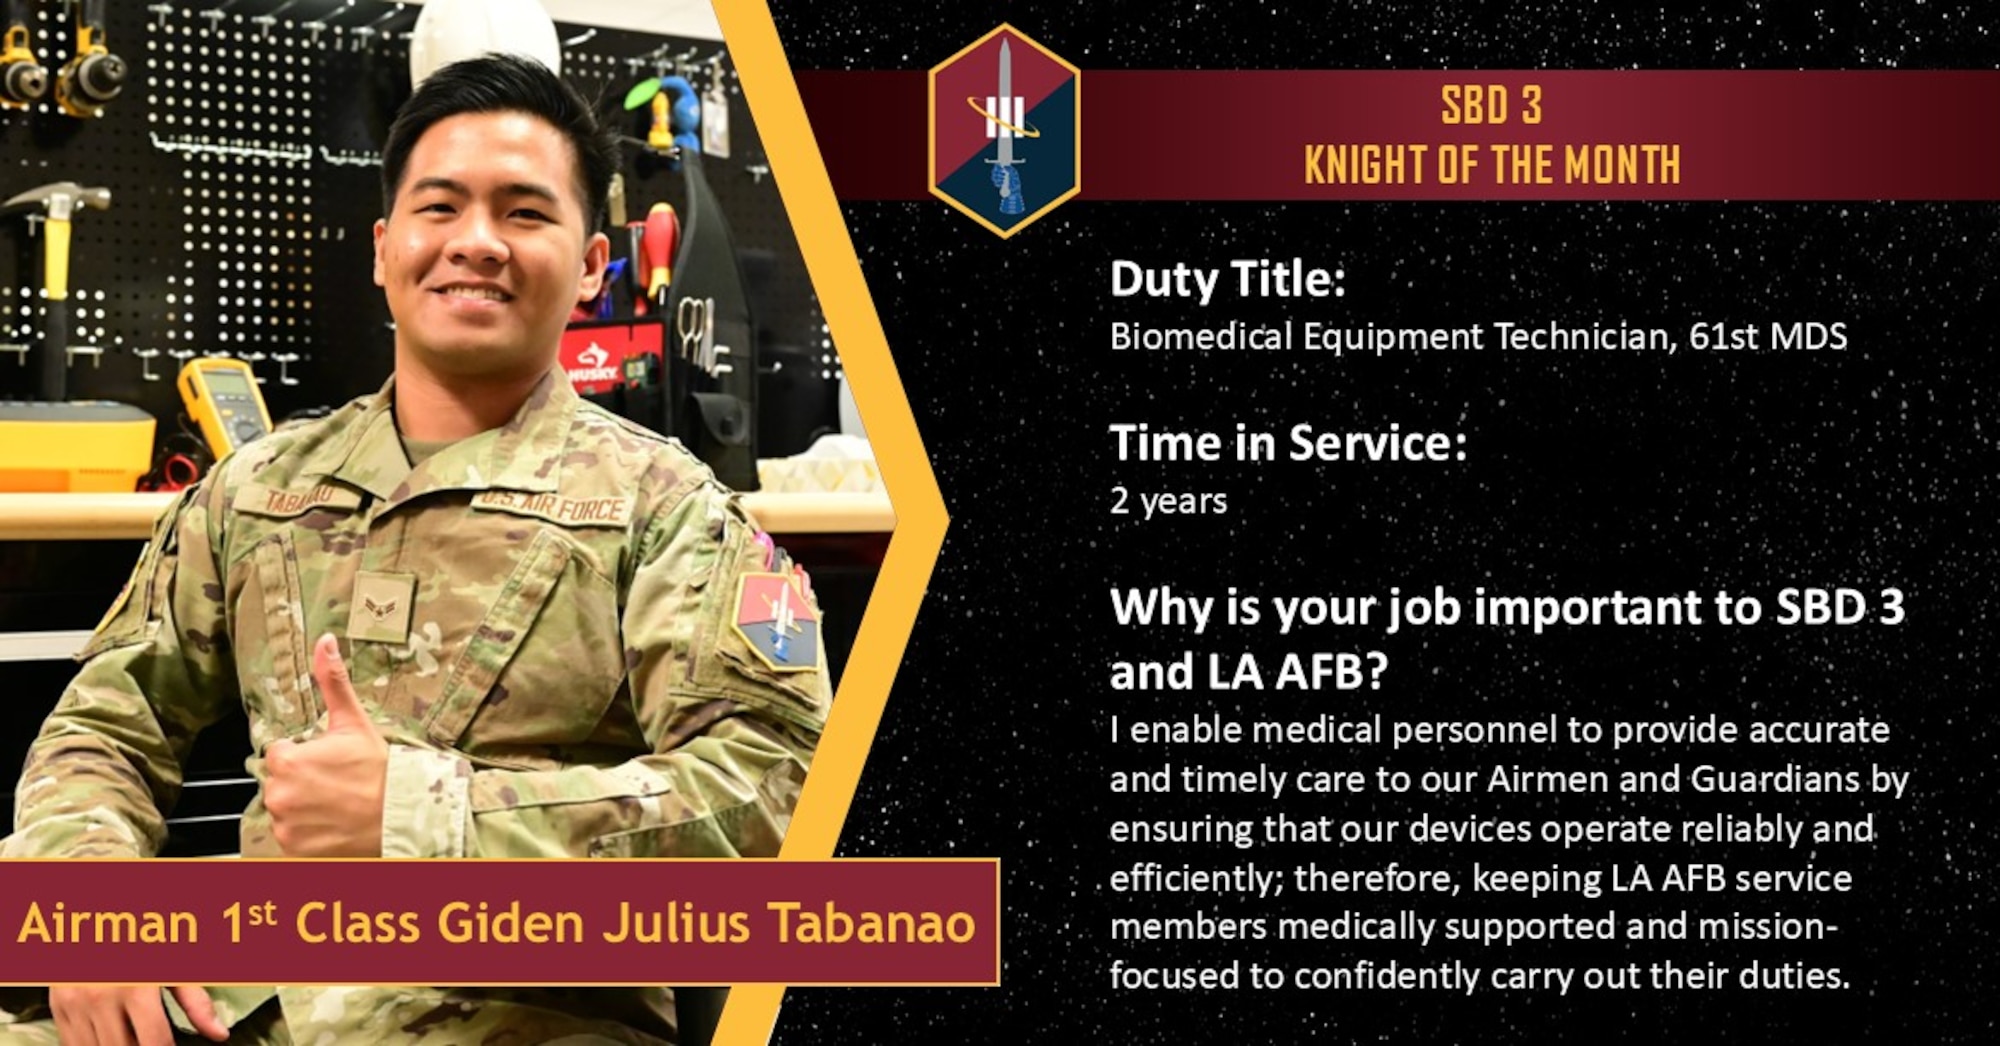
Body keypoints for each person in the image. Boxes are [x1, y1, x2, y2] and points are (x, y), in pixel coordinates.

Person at [0, 53, 827, 1045]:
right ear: (384, 248)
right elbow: (105, 723)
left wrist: (430, 819)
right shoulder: (255, 490)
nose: (474, 242)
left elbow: (775, 795)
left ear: (596, 263)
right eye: (439, 207)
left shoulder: (671, 512)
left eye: (525, 212)